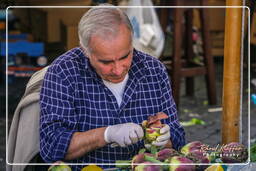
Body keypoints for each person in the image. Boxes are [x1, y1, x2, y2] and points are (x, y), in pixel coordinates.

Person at [39, 4, 185, 170]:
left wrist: (165, 139)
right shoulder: (63, 72)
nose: (117, 70)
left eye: (125, 56)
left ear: (132, 41)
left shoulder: (153, 70)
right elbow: (51, 147)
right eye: (106, 62)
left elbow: (179, 141)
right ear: (85, 50)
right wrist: (107, 134)